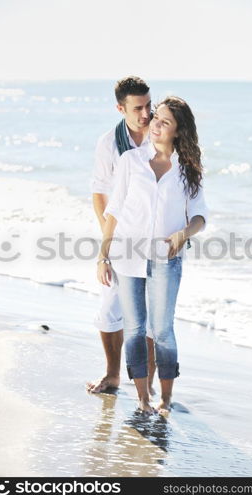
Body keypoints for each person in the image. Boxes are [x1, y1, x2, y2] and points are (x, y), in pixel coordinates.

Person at [97, 96, 208, 415]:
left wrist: (183, 234)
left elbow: (199, 216)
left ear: (178, 131)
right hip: (127, 255)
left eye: (165, 122)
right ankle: (142, 397)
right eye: (155, 118)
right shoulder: (132, 161)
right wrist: (103, 256)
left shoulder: (188, 169)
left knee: (160, 330)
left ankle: (163, 397)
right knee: (133, 329)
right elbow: (114, 210)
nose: (155, 124)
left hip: (166, 259)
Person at [86, 76, 156, 394]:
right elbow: (99, 191)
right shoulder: (109, 143)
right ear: (120, 108)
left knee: (154, 313)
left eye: (149, 105)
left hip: (157, 238)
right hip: (120, 236)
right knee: (109, 308)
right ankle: (113, 374)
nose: (146, 114)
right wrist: (108, 237)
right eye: (138, 108)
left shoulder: (163, 132)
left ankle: (149, 387)